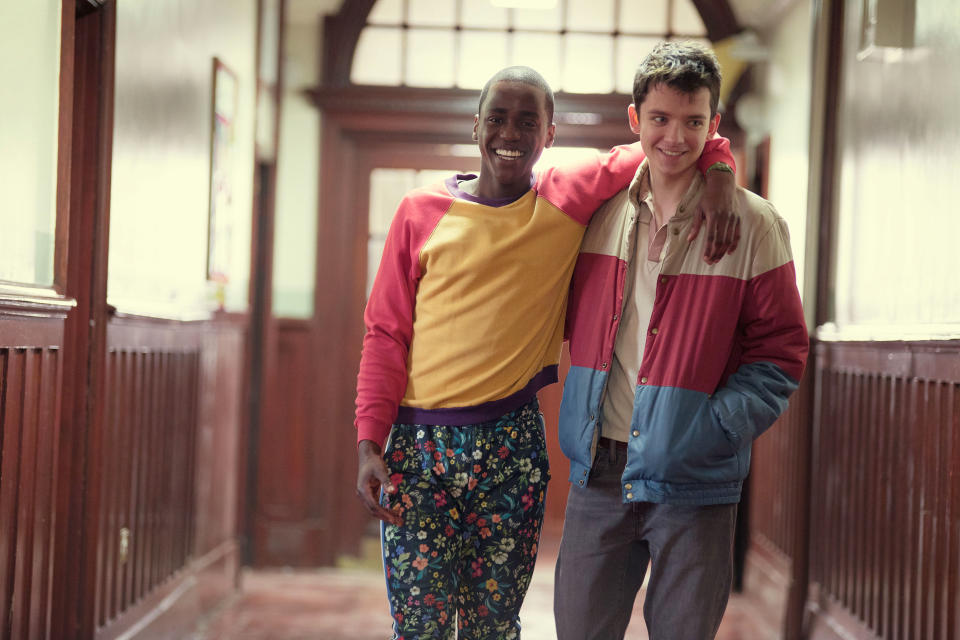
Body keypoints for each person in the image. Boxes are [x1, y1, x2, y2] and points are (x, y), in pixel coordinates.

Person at [354, 65, 738, 640]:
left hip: (512, 447)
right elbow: (385, 335)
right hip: (419, 449)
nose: (511, 132)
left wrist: (721, 176)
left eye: (527, 121)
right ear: (476, 125)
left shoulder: (565, 196)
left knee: (494, 625)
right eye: (498, 118)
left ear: (549, 133)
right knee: (420, 624)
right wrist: (368, 441)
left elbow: (674, 141)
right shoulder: (419, 211)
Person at [553, 41, 809, 640]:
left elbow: (781, 351)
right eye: (661, 119)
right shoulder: (597, 210)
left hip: (696, 476)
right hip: (599, 469)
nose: (675, 137)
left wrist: (714, 428)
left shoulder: (752, 223)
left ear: (713, 124)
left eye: (695, 122)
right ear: (635, 119)